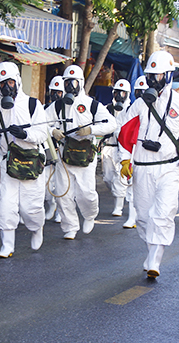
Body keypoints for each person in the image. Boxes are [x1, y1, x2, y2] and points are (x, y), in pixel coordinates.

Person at [118, 51, 179, 278]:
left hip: (168, 167)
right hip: (142, 167)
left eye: (158, 76)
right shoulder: (139, 104)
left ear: (168, 76)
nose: (153, 80)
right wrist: (125, 159)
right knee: (144, 217)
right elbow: (125, 133)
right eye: (150, 76)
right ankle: (151, 253)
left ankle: (155, 259)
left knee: (165, 213)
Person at [0, 62, 49, 257]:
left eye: (10, 83)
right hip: (6, 164)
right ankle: (7, 245)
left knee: (30, 208)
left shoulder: (33, 104)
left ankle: (36, 229)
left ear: (17, 82)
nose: (7, 88)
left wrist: (25, 134)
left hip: (30, 162)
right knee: (5, 205)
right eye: (2, 84)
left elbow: (42, 133)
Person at [44, 65, 117, 240]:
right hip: (64, 155)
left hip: (86, 156)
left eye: (73, 82)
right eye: (67, 82)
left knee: (87, 193)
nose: (70, 86)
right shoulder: (56, 106)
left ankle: (90, 215)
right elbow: (40, 121)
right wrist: (52, 131)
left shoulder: (92, 105)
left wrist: (91, 130)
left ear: (81, 83)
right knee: (63, 193)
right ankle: (70, 226)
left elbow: (112, 124)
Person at [121, 76, 149, 229]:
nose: (142, 94)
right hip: (134, 151)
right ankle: (133, 217)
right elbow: (123, 134)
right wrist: (125, 159)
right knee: (132, 186)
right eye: (139, 91)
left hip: (152, 154)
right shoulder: (129, 111)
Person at [101, 79, 131, 217]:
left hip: (122, 148)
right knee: (108, 177)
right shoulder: (106, 109)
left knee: (120, 177)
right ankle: (117, 193)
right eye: (118, 92)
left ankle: (118, 207)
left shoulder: (130, 110)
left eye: (123, 93)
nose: (120, 95)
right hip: (108, 147)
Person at [44, 75, 64, 221]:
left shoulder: (68, 109)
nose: (56, 95)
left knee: (61, 181)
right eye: (53, 92)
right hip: (48, 148)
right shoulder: (45, 109)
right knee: (47, 181)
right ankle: (51, 206)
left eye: (59, 92)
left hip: (64, 149)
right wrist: (51, 131)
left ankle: (60, 210)